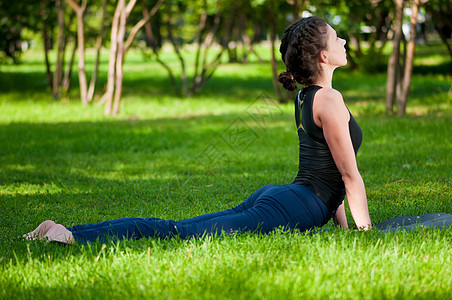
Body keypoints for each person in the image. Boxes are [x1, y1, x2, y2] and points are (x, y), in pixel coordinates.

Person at [23, 16, 372, 245]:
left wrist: (342, 227)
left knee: (178, 227)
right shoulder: (329, 98)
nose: (342, 41)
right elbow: (348, 176)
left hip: (284, 196)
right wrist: (364, 235)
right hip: (293, 204)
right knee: (181, 233)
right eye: (336, 37)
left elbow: (324, 172)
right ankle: (69, 237)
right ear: (323, 56)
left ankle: (65, 232)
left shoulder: (306, 96)